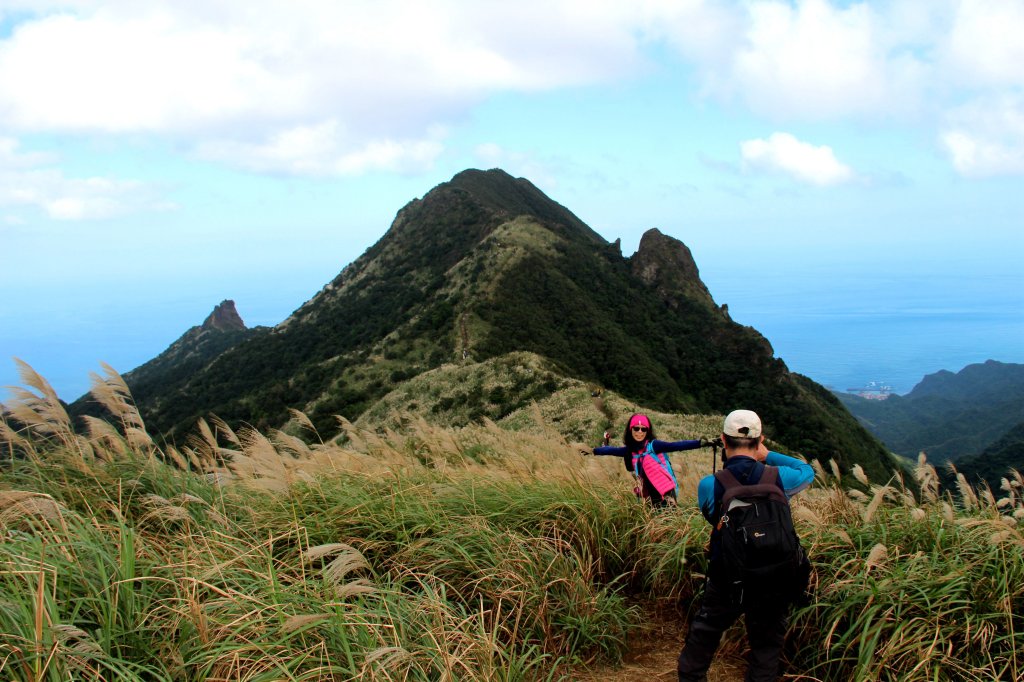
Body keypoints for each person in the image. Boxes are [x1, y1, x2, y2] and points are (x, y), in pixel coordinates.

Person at [676, 409, 814, 682]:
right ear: (760, 439)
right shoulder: (780, 478)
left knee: (704, 635)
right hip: (773, 575)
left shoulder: (710, 485)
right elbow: (806, 471)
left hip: (727, 575)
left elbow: (711, 517)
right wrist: (768, 455)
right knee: (766, 647)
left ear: (723, 441)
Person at [586, 413, 707, 507]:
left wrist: (699, 443)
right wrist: (593, 451)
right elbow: (611, 450)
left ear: (647, 431)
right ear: (630, 430)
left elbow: (676, 445)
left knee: (667, 523)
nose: (639, 432)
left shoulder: (653, 446)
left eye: (643, 429)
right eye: (636, 428)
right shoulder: (630, 451)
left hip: (665, 493)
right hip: (647, 495)